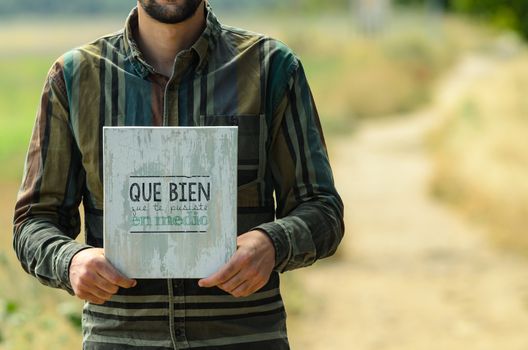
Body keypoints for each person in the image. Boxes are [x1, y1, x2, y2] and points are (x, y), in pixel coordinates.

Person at [13, 1, 344, 349]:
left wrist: (273, 244)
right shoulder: (76, 76)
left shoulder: (271, 68)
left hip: (244, 338)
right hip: (121, 340)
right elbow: (34, 221)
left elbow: (323, 208)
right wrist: (71, 261)